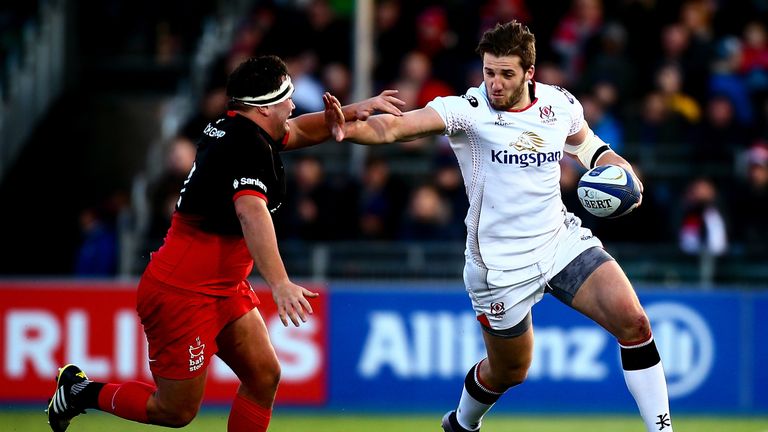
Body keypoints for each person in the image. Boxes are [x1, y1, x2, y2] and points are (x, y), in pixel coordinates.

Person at [326, 21, 673, 432]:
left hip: (558, 241)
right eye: (489, 72)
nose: (495, 83)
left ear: (529, 73)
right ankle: (461, 424)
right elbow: (397, 127)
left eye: (506, 74)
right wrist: (347, 128)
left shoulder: (558, 104)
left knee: (634, 323)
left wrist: (621, 171)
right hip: (499, 266)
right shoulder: (468, 111)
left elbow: (591, 149)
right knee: (510, 371)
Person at [46, 55, 404, 432]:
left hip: (221, 285)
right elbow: (252, 213)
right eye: (287, 98)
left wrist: (349, 113)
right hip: (183, 291)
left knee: (264, 376)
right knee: (175, 411)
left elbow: (296, 131)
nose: (294, 105)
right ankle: (79, 392)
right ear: (264, 108)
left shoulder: (238, 128)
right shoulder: (246, 148)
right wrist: (280, 283)